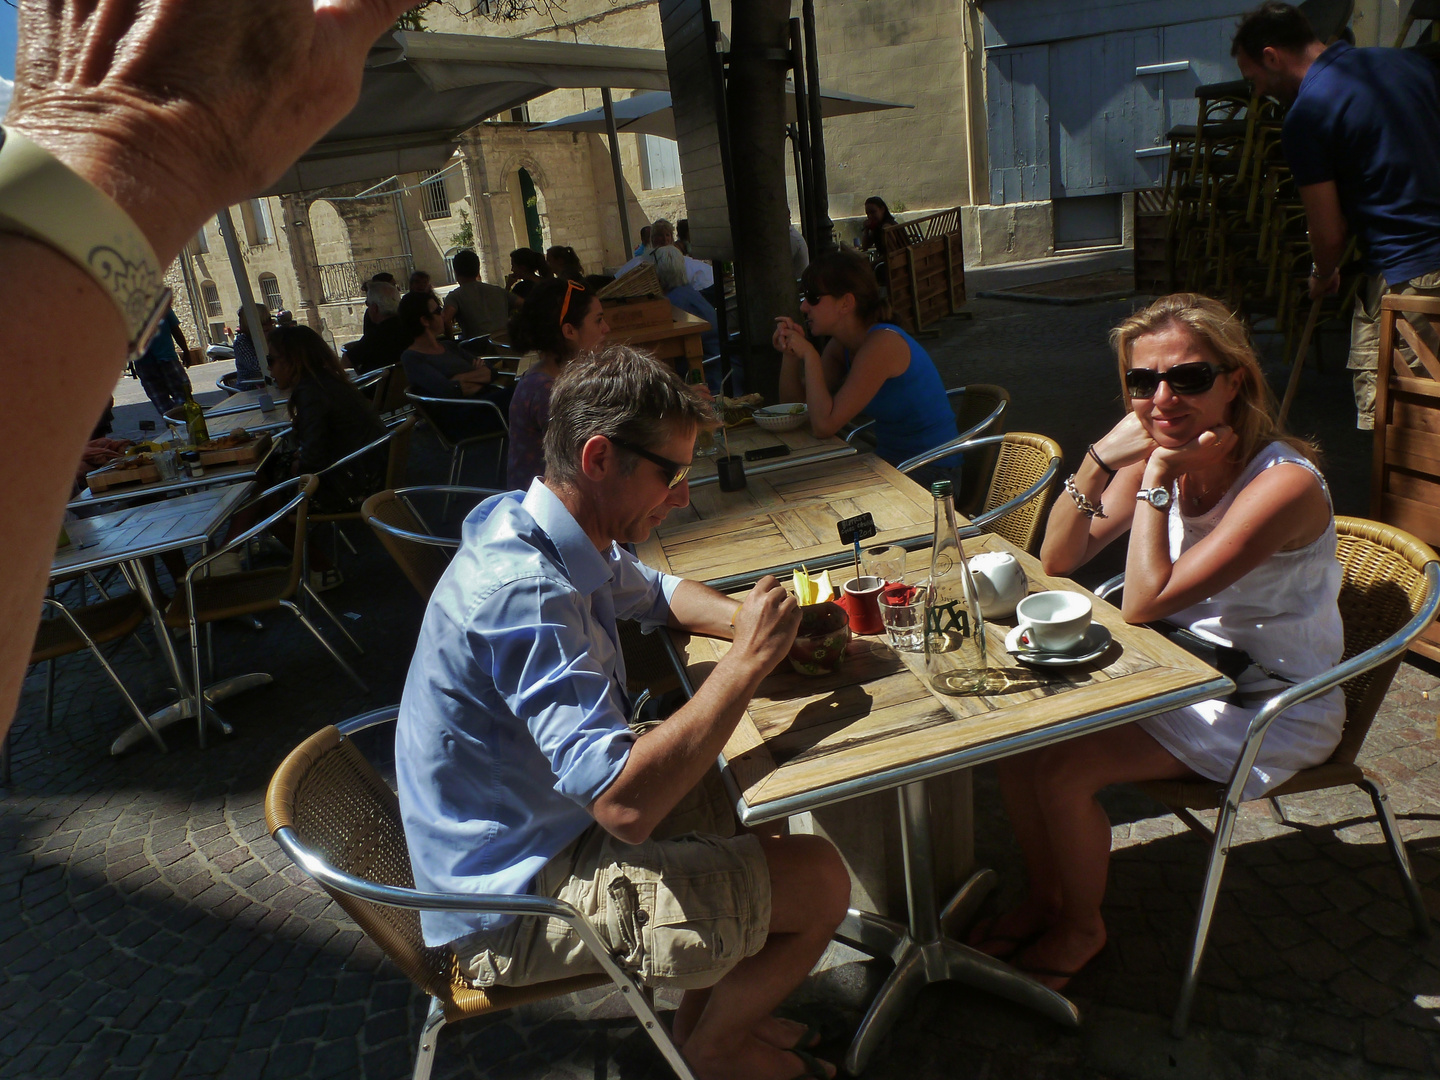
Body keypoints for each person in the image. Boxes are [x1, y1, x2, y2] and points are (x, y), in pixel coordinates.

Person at [396, 347, 849, 1080]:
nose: (681, 495)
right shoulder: (526, 592)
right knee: (824, 878)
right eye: (670, 473)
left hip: (532, 833)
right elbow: (624, 808)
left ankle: (709, 1022)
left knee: (747, 786)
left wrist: (752, 626)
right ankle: (712, 1055)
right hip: (514, 908)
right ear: (600, 457)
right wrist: (746, 665)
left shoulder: (542, 524)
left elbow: (659, 592)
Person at [0, 0, 422, 747]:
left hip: (329, 494)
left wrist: (97, 145)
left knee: (240, 502)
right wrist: (115, 144)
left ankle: (227, 588)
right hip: (328, 493)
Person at [973, 293, 1342, 990]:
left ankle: (1083, 928)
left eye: (1189, 377)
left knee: (1064, 772)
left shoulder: (1282, 484)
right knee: (1019, 749)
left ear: (1236, 381)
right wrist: (1094, 461)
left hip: (1271, 704)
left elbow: (1142, 602)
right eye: (1142, 382)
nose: (1161, 397)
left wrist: (1157, 479)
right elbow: (1058, 557)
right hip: (1178, 673)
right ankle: (1046, 902)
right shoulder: (1160, 451)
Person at [1232, 2, 1440, 429]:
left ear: (1272, 56)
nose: (1257, 93)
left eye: (1253, 79)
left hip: (1411, 276)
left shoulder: (1307, 114)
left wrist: (1322, 271)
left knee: (1409, 439)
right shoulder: (1407, 65)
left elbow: (1328, 233)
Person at [772, 248, 958, 471]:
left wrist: (810, 355)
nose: (803, 306)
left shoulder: (882, 344)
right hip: (892, 465)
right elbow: (797, 410)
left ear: (846, 303)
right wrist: (790, 355)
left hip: (931, 474)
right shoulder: (842, 345)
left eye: (812, 297)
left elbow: (824, 426)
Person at [505, 278, 610, 492]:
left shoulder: (558, 377)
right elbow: (592, 462)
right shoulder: (546, 391)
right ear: (569, 331)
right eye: (598, 320)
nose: (606, 328)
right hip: (548, 515)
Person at [268, 325, 386, 511]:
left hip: (352, 486)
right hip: (372, 472)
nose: (269, 369)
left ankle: (299, 540)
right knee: (272, 474)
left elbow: (312, 462)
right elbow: (325, 440)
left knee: (263, 491)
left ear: (291, 361)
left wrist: (299, 461)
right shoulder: (328, 382)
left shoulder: (311, 392)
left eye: (271, 360)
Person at [653, 245, 720, 362]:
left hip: (710, 367)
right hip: (722, 361)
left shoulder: (673, 303)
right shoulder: (687, 291)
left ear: (658, 272)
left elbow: (670, 346)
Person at [133, 302, 194, 417]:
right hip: (166, 358)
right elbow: (175, 330)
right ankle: (188, 422)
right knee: (184, 397)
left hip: (144, 364)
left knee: (163, 405)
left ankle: (174, 424)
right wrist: (186, 351)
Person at [442, 249, 511, 341]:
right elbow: (524, 304)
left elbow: (445, 319)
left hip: (475, 349)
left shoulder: (455, 296)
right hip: (505, 346)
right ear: (478, 269)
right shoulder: (498, 291)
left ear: (455, 271)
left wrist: (451, 342)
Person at [345, 280, 408, 374]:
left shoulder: (377, 335)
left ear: (374, 308)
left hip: (379, 386)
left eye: (367, 304)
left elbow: (345, 362)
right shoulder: (411, 326)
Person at [233, 307, 274, 389]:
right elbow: (258, 367)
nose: (270, 323)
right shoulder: (242, 342)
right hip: (251, 388)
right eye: (266, 320)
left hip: (272, 383)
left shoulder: (274, 335)